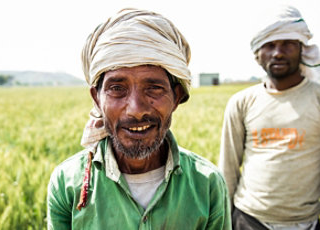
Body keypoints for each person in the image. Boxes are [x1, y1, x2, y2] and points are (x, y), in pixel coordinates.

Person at [47, 8, 231, 229]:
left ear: (176, 97)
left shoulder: (207, 184)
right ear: (96, 99)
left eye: (153, 88)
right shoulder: (67, 184)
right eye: (117, 88)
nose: (135, 110)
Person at [219, 5, 320, 230]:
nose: (278, 53)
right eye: (270, 45)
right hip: (249, 219)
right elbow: (228, 167)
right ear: (257, 55)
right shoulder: (242, 102)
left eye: (288, 44)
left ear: (302, 48)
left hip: (305, 222)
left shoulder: (317, 97)